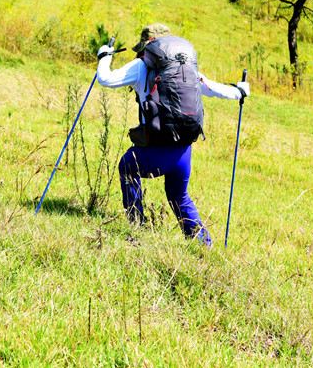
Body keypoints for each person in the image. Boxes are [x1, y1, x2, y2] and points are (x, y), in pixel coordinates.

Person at [96, 23, 249, 246]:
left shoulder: (141, 65)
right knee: (178, 196)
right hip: (183, 153)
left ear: (147, 46)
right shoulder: (185, 67)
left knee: (127, 167)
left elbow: (106, 79)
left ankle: (137, 229)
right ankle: (204, 245)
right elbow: (214, 88)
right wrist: (240, 90)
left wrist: (104, 56)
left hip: (154, 151)